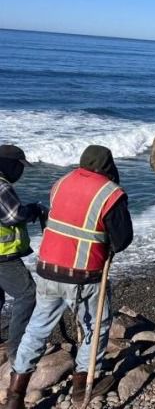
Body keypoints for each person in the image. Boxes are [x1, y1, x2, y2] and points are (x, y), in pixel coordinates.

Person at [6, 146, 133, 409]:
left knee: (37, 328)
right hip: (84, 275)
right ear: (108, 167)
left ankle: (15, 394)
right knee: (94, 329)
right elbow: (121, 240)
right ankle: (81, 387)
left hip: (48, 269)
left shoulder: (60, 183)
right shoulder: (111, 193)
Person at [0, 145, 46, 366]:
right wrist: (33, 210)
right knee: (28, 294)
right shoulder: (1, 186)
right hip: (2, 255)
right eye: (19, 166)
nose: (21, 171)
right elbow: (13, 215)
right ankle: (16, 349)